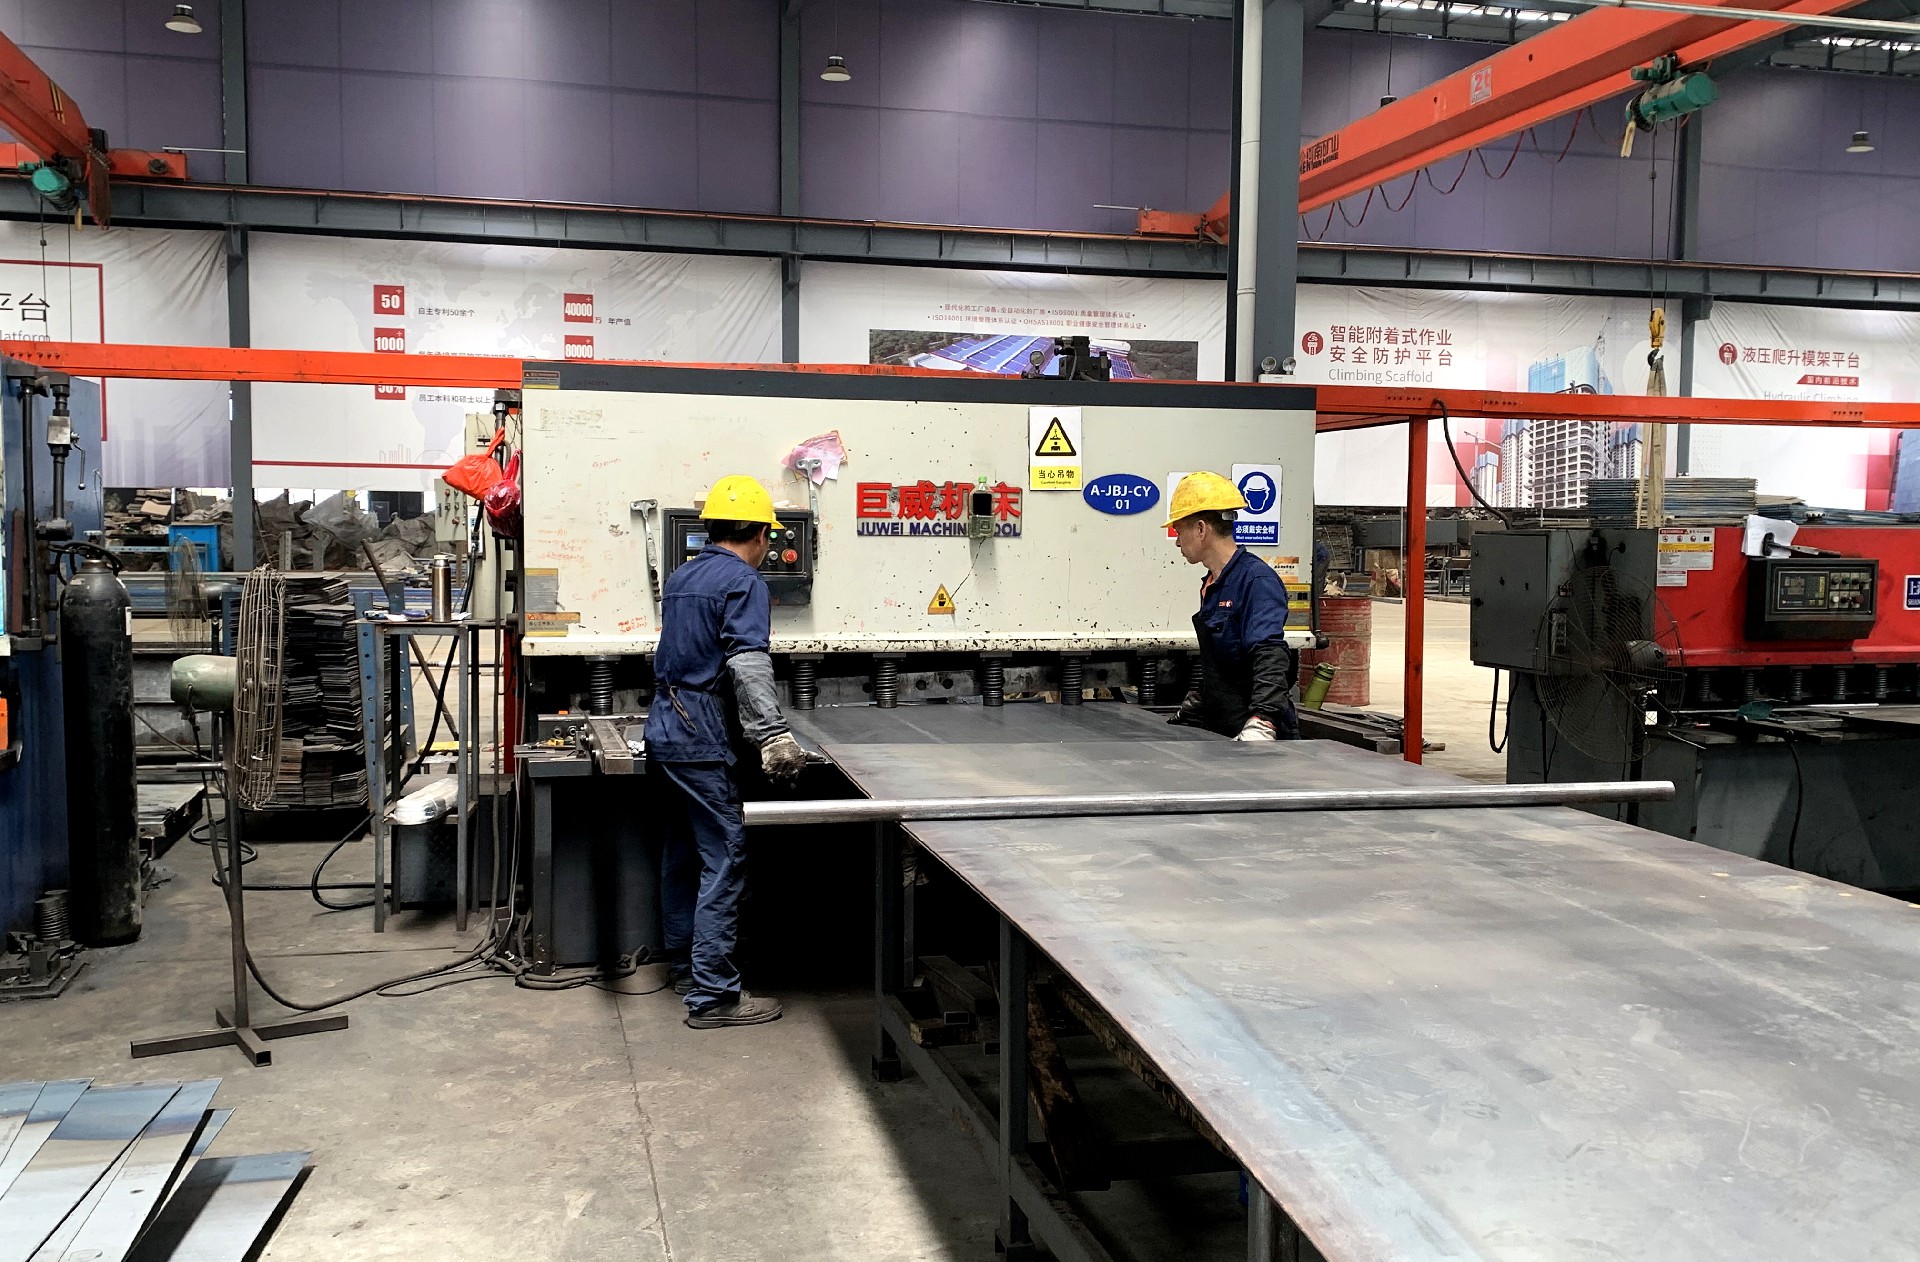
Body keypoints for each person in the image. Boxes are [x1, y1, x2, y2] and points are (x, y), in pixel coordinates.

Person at [644, 475, 809, 1029]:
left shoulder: (682, 576)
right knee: (724, 857)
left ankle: (685, 967)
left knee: (682, 852)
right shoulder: (744, 581)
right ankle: (714, 995)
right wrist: (772, 735)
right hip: (700, 736)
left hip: (666, 729)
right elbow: (747, 661)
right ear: (761, 535)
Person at [1164, 471, 1301, 741]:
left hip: (1252, 734)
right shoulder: (1213, 584)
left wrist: (1262, 721)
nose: (1177, 541)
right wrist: (1201, 699)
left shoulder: (1256, 581)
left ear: (1201, 529)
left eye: (1178, 531)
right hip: (1223, 729)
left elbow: (1269, 654)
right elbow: (1225, 664)